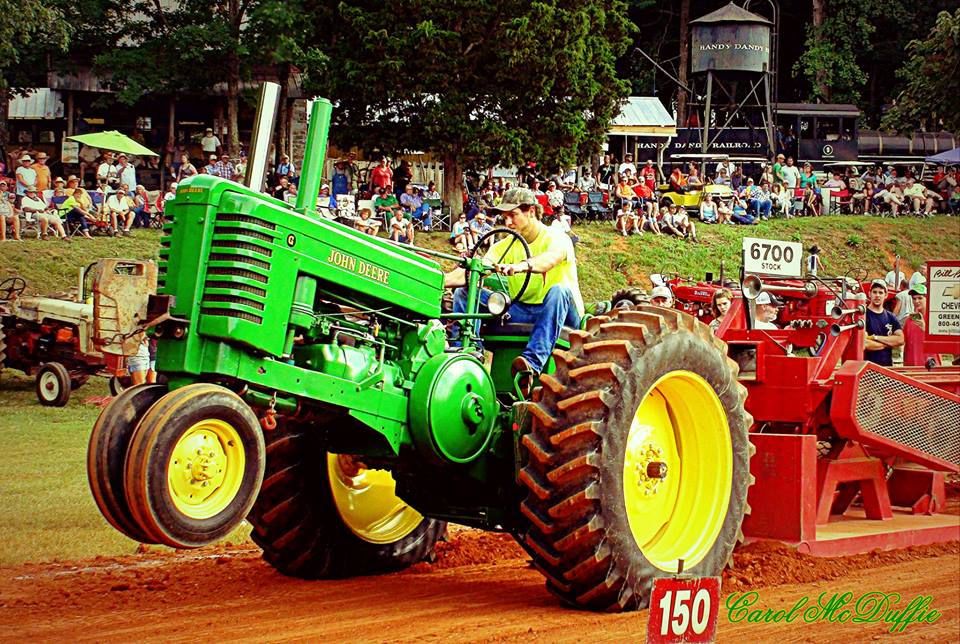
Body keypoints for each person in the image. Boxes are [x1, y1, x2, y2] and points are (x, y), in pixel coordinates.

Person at [445, 187, 583, 379]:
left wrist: (521, 266)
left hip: (562, 312)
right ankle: (467, 354)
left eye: (513, 215)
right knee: (465, 292)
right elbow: (473, 272)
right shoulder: (505, 245)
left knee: (559, 291)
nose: (508, 222)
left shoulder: (558, 237)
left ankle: (531, 365)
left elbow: (550, 259)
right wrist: (438, 280)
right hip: (522, 309)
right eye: (504, 217)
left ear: (532, 211)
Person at [863, 279, 903, 366]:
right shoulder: (864, 315)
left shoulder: (890, 316)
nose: (877, 295)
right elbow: (865, 343)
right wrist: (889, 344)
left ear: (886, 295)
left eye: (880, 293)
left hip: (887, 368)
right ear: (869, 294)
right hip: (867, 368)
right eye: (875, 292)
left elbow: (900, 340)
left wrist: (875, 338)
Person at [901, 285, 939, 367]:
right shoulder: (909, 320)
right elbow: (902, 341)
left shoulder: (934, 319)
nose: (916, 301)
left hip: (931, 366)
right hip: (911, 367)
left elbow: (942, 344)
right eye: (914, 299)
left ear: (927, 298)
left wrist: (925, 329)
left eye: (920, 298)